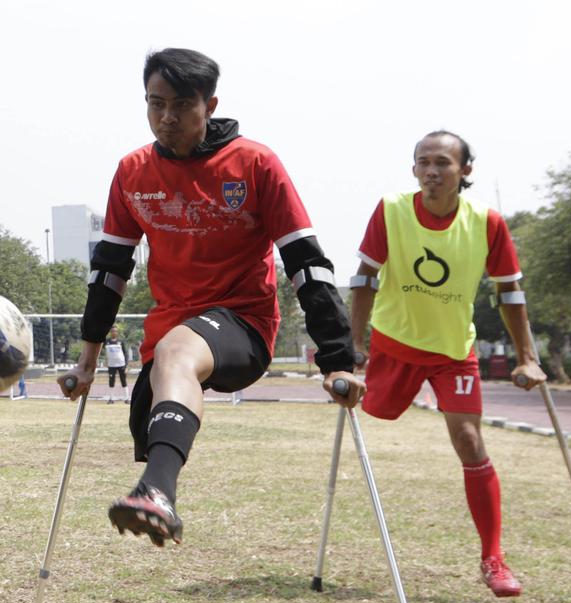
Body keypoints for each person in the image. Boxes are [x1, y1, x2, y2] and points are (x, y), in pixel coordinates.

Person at [60, 48, 362, 547]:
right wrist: (87, 360)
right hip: (172, 329)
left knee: (178, 349)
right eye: (155, 104)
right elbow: (110, 273)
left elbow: (306, 263)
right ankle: (158, 491)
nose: (167, 118)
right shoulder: (133, 172)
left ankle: (156, 492)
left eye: (181, 105)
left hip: (242, 323)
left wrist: (337, 360)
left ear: (210, 105)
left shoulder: (255, 164)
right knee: (171, 357)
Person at [350, 130, 544, 597]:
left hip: (454, 351)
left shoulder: (487, 222)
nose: (431, 172)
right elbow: (364, 277)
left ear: (465, 171)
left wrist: (528, 357)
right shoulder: (392, 209)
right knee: (373, 411)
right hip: (394, 344)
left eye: (442, 163)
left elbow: (509, 291)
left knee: (469, 439)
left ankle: (493, 559)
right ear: (414, 169)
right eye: (422, 163)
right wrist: (353, 347)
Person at [104, 326, 131, 404]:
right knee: (111, 381)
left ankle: (126, 398)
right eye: (112, 331)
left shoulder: (121, 341)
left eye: (115, 331)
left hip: (121, 364)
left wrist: (126, 366)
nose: (114, 333)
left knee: (123, 381)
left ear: (117, 333)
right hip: (111, 365)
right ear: (110, 332)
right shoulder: (106, 341)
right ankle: (111, 399)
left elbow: (126, 354)